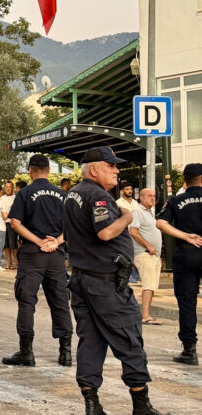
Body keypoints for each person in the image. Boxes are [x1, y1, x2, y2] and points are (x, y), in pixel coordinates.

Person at [63, 147, 165, 415]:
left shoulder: (72, 194)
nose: (117, 170)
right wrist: (128, 216)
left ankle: (91, 403)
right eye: (111, 166)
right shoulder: (97, 195)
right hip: (106, 283)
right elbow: (106, 232)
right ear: (94, 169)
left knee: (91, 341)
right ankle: (141, 405)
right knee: (129, 339)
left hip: (84, 278)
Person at [2, 154, 73, 368]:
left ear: (31, 170)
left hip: (33, 254)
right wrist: (56, 242)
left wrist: (38, 241)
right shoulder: (62, 194)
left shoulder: (25, 193)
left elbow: (15, 223)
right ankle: (66, 352)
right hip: (56, 255)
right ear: (49, 171)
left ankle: (26, 352)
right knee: (60, 302)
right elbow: (72, 226)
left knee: (27, 302)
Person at [157, 163, 202, 366]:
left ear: (185, 180)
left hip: (187, 254)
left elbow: (161, 223)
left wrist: (185, 236)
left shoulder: (177, 200)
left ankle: (189, 349)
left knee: (187, 303)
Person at [130, 188, 163, 326]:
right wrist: (148, 246)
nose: (152, 198)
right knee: (148, 285)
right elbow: (133, 231)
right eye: (149, 196)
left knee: (152, 286)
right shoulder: (137, 211)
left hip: (153, 255)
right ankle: (145, 315)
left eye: (154, 196)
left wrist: (157, 254)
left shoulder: (150, 213)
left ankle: (146, 313)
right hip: (144, 253)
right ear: (141, 198)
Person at [2, 181, 19, 270]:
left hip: (12, 224)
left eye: (10, 187)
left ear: (13, 188)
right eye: (6, 187)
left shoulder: (16, 198)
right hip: (3, 224)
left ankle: (16, 262)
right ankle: (9, 262)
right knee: (6, 245)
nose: (8, 188)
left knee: (13, 244)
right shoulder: (2, 198)